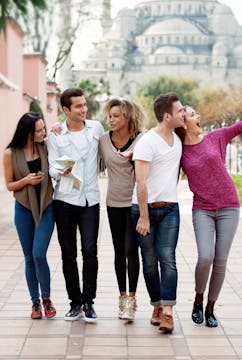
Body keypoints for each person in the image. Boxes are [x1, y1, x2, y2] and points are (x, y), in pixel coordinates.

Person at [175, 83, 242, 328]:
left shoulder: (216, 137)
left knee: (220, 260)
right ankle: (198, 299)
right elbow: (156, 155)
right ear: (183, 121)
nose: (198, 116)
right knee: (205, 256)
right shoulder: (178, 150)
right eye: (192, 114)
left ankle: (211, 307)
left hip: (229, 206)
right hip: (202, 209)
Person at [47, 88, 104, 323]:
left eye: (84, 105)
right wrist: (62, 169)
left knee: (90, 252)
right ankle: (75, 303)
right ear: (66, 110)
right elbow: (51, 168)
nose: (84, 109)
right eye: (78, 106)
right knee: (68, 254)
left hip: (90, 200)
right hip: (65, 200)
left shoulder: (96, 129)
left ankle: (89, 302)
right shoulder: (56, 135)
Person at [131, 92, 185, 333]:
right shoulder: (147, 142)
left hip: (170, 209)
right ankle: (156, 305)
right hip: (145, 210)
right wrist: (143, 216)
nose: (184, 113)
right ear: (167, 116)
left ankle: (168, 312)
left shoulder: (179, 139)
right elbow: (140, 182)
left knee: (168, 259)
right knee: (150, 263)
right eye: (180, 110)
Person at [3, 112, 56, 320]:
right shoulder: (10, 153)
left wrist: (58, 128)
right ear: (27, 132)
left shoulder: (45, 146)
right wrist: (26, 180)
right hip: (23, 209)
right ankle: (35, 302)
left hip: (46, 206)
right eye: (39, 130)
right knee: (28, 257)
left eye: (44, 128)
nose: (43, 132)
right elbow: (9, 185)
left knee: (39, 254)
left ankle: (47, 299)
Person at [98, 98, 145, 320]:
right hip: (113, 203)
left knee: (130, 250)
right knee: (119, 251)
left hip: (135, 203)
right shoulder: (103, 140)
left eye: (116, 115)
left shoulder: (141, 140)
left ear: (128, 117)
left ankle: (131, 302)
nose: (112, 119)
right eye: (110, 116)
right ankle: (122, 298)